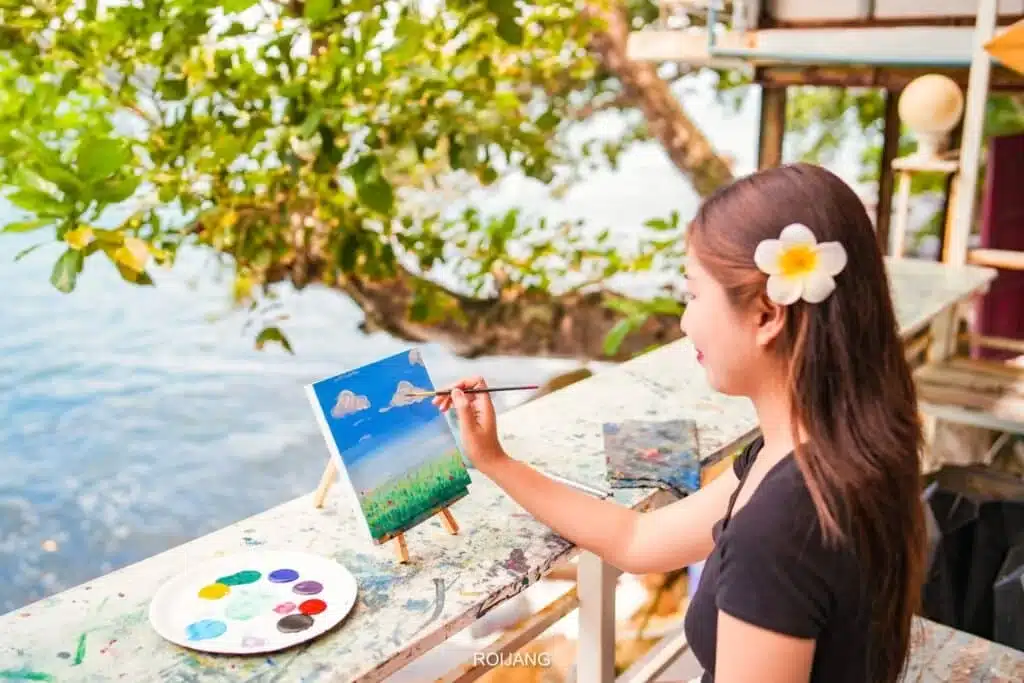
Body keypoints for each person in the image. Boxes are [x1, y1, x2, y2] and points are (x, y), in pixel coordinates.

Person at [434, 163, 927, 683]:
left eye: (693, 294)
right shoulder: (829, 447)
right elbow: (637, 539)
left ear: (766, 314)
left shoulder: (782, 528)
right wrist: (494, 461)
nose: (685, 321)